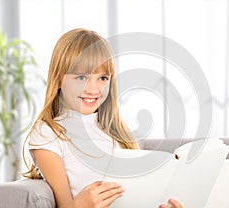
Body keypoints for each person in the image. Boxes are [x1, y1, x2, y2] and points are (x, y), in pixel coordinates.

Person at [23, 28, 183, 208]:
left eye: (103, 78)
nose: (93, 89)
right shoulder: (49, 133)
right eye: (82, 77)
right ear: (59, 79)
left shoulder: (115, 132)